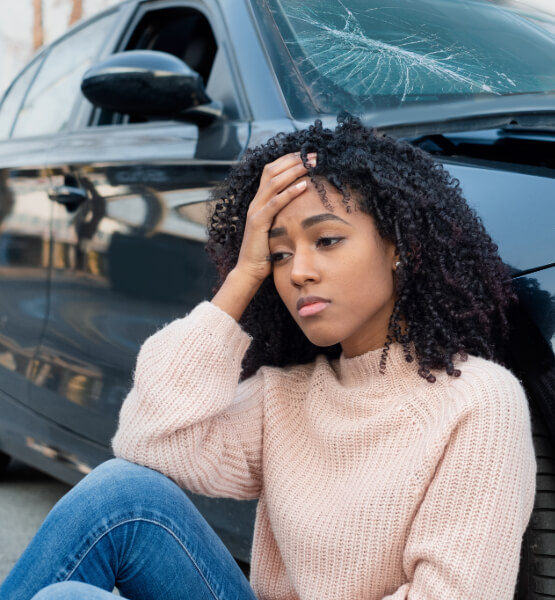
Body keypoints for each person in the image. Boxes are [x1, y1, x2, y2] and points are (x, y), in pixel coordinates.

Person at [0, 116, 536, 600]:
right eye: (279, 253)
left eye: (326, 240)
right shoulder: (286, 396)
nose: (297, 270)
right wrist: (242, 277)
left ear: (404, 248)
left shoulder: (478, 402)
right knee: (118, 494)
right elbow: (148, 441)